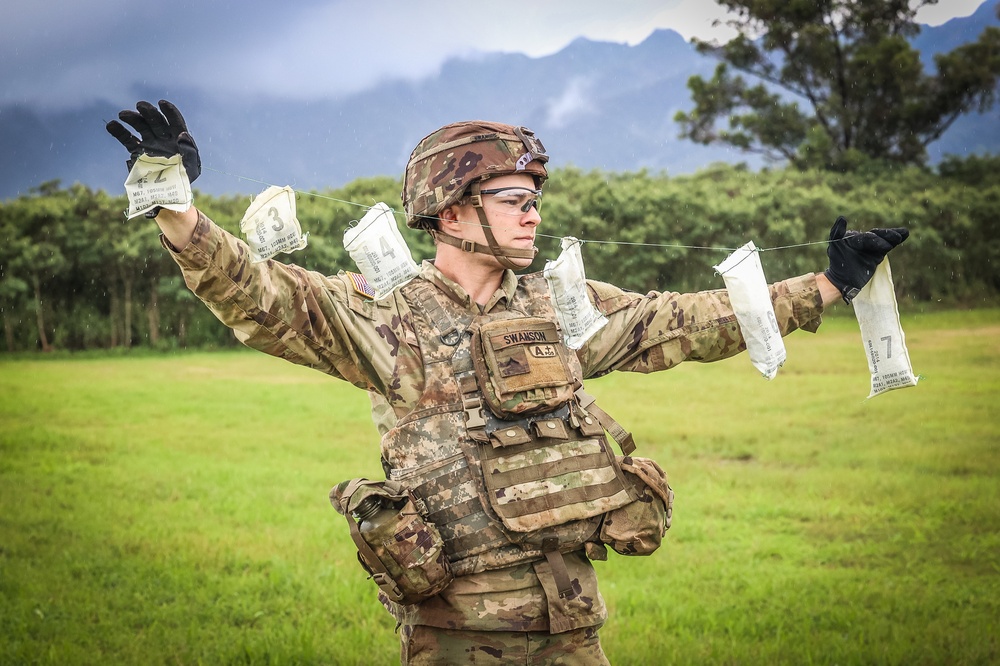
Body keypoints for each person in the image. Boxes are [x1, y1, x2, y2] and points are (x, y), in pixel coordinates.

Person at [106, 100, 907, 664]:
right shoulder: (388, 316)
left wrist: (826, 286)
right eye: (513, 201)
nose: (532, 216)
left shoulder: (560, 306)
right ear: (451, 214)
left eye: (534, 201)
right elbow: (264, 292)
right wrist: (177, 209)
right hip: (460, 637)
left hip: (573, 624)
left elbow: (682, 321)